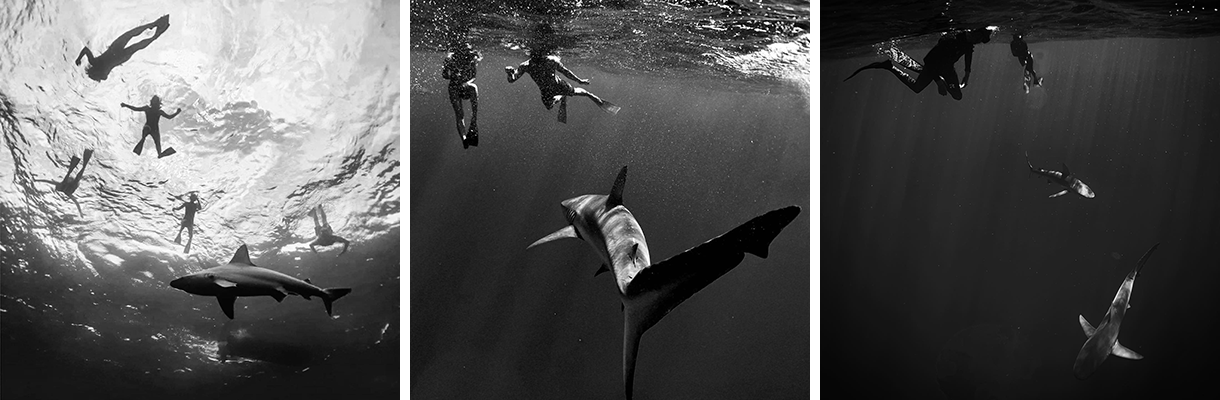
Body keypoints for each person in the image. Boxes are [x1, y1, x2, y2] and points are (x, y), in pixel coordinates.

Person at [844, 26, 997, 101]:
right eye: (979, 37)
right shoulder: (951, 39)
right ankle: (889, 66)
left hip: (947, 69)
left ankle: (931, 75)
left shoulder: (969, 43)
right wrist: (938, 81)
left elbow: (969, 52)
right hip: (933, 66)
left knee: (957, 96)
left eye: (981, 40)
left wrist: (967, 74)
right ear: (975, 32)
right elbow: (928, 60)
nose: (978, 41)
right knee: (917, 88)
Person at [506, 50, 620, 123]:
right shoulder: (525, 66)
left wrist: (580, 81)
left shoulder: (551, 61)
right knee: (549, 107)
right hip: (546, 91)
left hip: (558, 85)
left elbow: (566, 72)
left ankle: (595, 99)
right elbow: (512, 80)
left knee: (581, 93)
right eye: (537, 57)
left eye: (540, 57)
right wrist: (510, 74)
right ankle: (562, 98)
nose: (539, 59)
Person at [76, 15, 170, 81]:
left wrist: (79, 58)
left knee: (132, 37)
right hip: (118, 55)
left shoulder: (96, 66)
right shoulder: (101, 73)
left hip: (116, 52)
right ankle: (154, 32)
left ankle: (154, 28)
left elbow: (85, 49)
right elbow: (86, 50)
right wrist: (79, 59)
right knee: (134, 41)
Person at [442, 43, 483, 149]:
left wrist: (467, 83)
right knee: (459, 115)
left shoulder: (471, 59)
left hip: (464, 87)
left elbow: (473, 76)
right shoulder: (451, 59)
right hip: (454, 88)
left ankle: (474, 121)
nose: (465, 54)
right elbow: (445, 76)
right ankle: (464, 138)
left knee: (473, 88)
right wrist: (447, 63)